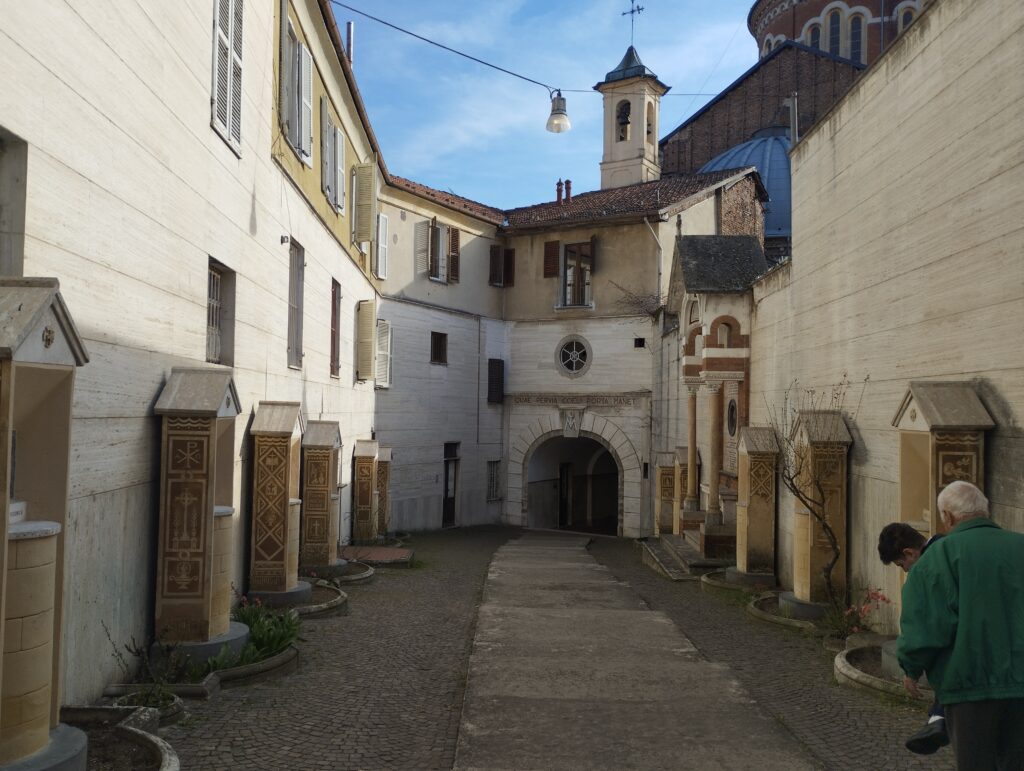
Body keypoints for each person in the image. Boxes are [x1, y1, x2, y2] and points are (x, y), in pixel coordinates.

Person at [897, 481, 1024, 770]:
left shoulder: (935, 561)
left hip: (969, 688)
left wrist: (911, 669)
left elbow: (925, 627)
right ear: (985, 510)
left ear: (948, 517)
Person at [877, 522, 948, 755]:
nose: (905, 571)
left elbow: (920, 627)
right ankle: (937, 717)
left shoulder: (925, 571)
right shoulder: (948, 549)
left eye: (901, 565)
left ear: (909, 552)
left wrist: (911, 671)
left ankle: (938, 719)